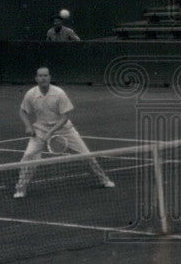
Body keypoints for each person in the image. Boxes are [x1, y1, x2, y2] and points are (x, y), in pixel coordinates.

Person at [13, 67, 114, 198]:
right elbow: (23, 111)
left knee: (87, 155)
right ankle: (20, 189)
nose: (43, 78)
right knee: (28, 156)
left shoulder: (59, 93)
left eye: (45, 76)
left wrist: (51, 132)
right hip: (40, 131)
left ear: (49, 77)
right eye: (40, 76)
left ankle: (104, 180)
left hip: (64, 130)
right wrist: (28, 126)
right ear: (36, 78)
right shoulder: (31, 94)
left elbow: (65, 117)